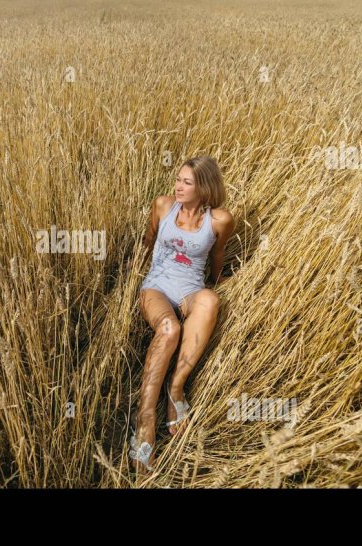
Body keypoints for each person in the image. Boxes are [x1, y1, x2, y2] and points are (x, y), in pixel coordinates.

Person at [129, 156, 234, 475]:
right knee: (169, 329)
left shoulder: (220, 220)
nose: (178, 186)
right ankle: (145, 419)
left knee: (210, 300)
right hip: (157, 288)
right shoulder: (162, 205)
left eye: (187, 182)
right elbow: (148, 242)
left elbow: (216, 257)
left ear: (205, 187)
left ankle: (176, 389)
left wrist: (218, 282)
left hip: (190, 291)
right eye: (178, 179)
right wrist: (133, 276)